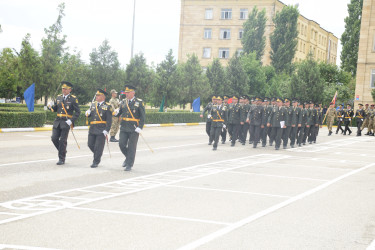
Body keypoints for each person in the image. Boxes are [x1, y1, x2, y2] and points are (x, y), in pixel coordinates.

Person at [48, 81, 81, 165]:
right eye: (63, 89)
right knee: (54, 138)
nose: (64, 90)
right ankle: (63, 151)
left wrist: (71, 120)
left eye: (66, 89)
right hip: (57, 121)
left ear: (70, 90)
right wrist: (49, 106)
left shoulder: (73, 99)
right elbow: (55, 109)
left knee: (63, 141)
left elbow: (78, 112)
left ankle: (61, 159)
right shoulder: (58, 97)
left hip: (66, 122)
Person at [114, 85, 145, 171]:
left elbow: (143, 117)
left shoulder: (139, 102)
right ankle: (128, 157)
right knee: (121, 144)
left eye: (128, 92)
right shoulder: (124, 102)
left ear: (133, 93)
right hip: (124, 127)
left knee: (132, 147)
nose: (126, 94)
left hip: (134, 128)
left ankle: (129, 164)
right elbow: (119, 112)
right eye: (126, 92)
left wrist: (140, 127)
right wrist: (115, 112)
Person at [85, 89, 113, 168]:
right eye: (96, 95)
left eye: (98, 95)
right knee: (90, 144)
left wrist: (107, 130)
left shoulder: (107, 106)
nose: (96, 97)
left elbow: (109, 120)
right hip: (92, 128)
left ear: (103, 97)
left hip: (101, 129)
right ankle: (98, 154)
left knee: (98, 146)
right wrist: (87, 113)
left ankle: (96, 161)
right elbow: (90, 115)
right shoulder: (93, 104)